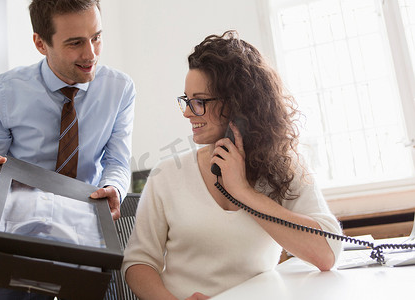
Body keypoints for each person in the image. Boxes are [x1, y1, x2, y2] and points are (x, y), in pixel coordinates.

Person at [121, 30, 343, 300]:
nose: (188, 112)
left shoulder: (284, 167)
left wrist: (245, 194)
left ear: (238, 104)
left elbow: (327, 255)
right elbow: (137, 263)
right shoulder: (166, 175)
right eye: (187, 100)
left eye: (200, 101)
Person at [0, 0, 135, 299]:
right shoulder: (3, 93)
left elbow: (117, 160)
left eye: (96, 36)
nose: (91, 53)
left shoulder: (119, 89)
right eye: (75, 43)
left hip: (85, 238)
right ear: (40, 43)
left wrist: (114, 187)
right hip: (18, 243)